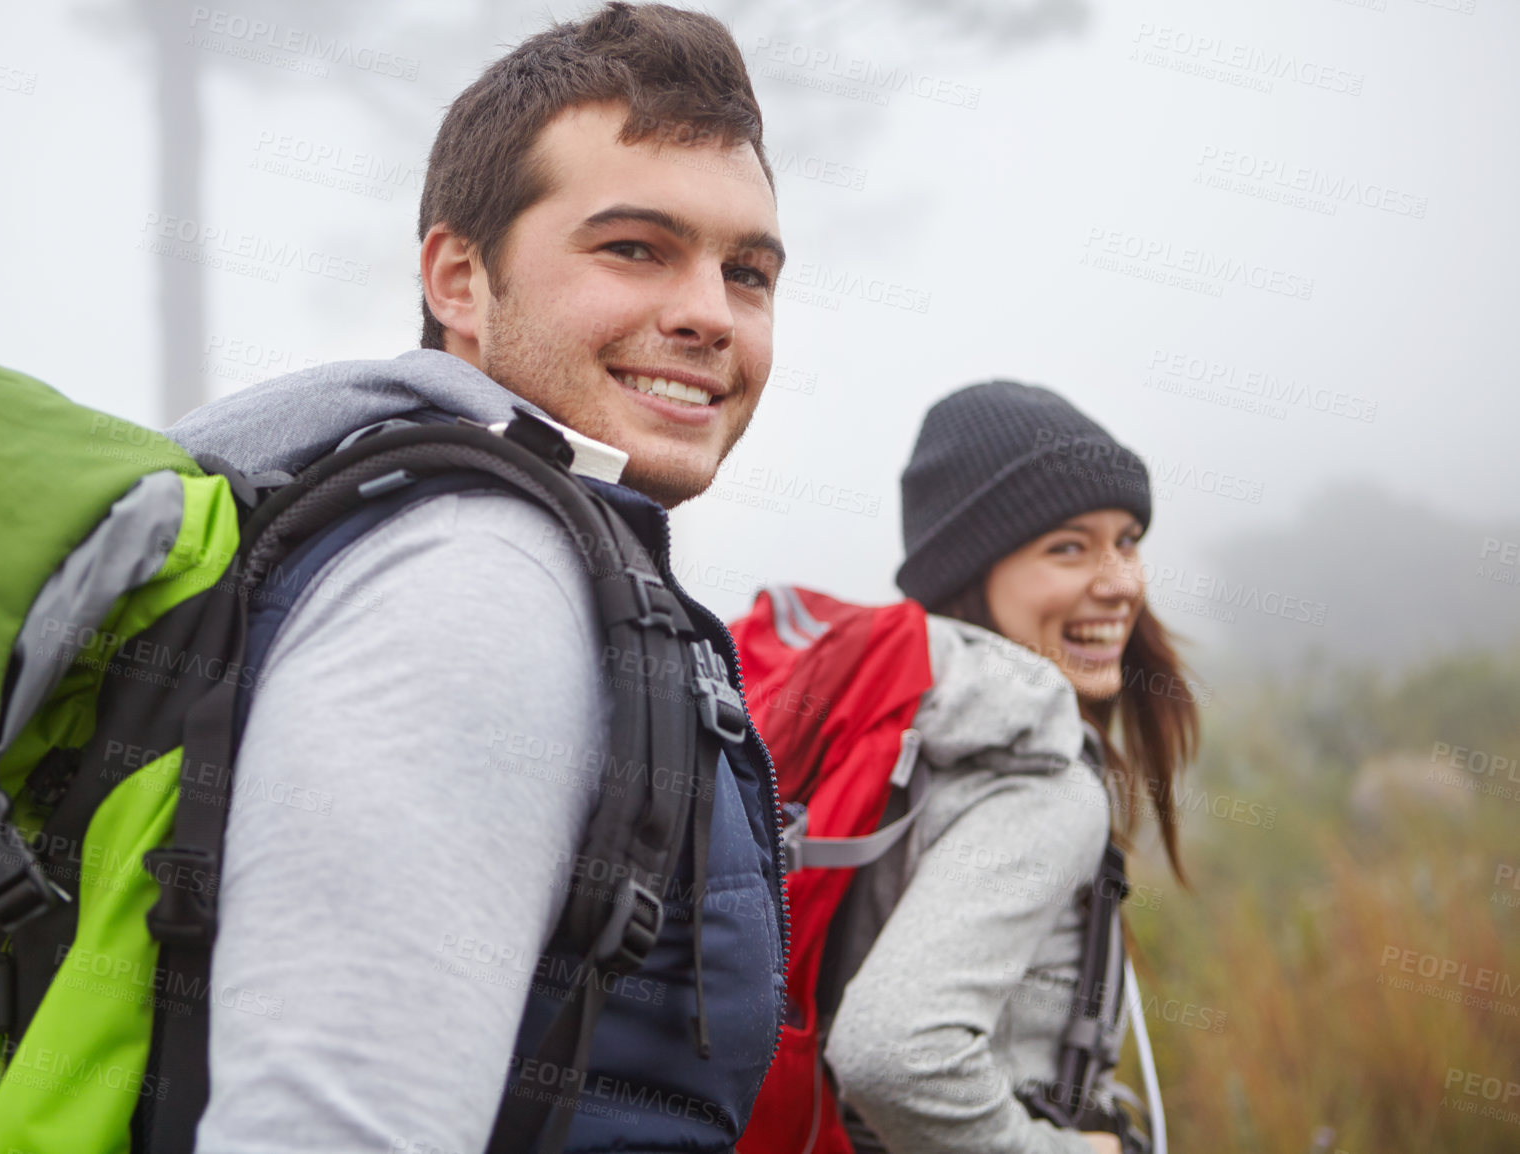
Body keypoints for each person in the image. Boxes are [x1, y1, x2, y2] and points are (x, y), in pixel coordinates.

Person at [165, 5, 788, 1151]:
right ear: (459, 278)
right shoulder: (477, 575)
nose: (709, 313)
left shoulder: (458, 534)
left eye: (746, 272)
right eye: (635, 247)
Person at [822, 381, 1199, 1153]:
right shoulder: (1040, 785)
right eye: (1068, 547)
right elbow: (891, 1056)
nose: (1122, 581)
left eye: (1126, 540)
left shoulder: (905, 742)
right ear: (970, 572)